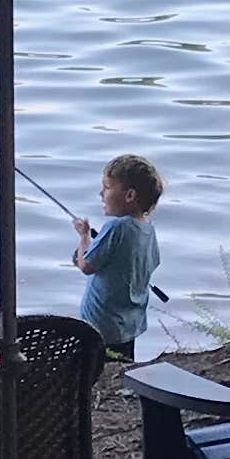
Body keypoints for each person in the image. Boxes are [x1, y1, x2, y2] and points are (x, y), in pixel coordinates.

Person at [70, 153, 164, 361]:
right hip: (130, 323)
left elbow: (86, 265)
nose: (101, 193)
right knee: (122, 366)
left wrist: (84, 236)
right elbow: (152, 263)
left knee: (94, 370)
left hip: (101, 324)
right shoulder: (147, 227)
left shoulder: (116, 227)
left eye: (107, 187)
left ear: (129, 195)